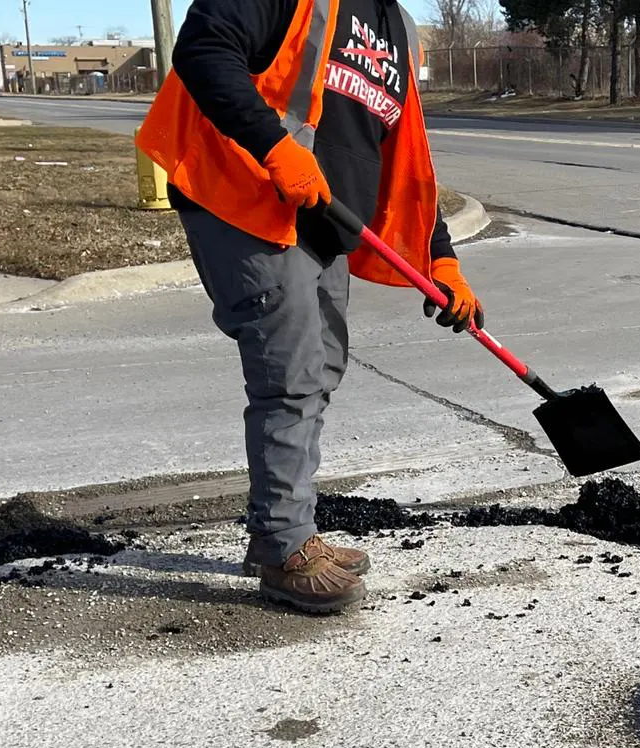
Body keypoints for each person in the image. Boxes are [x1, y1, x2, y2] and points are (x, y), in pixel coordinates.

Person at [136, 0, 483, 615]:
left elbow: (401, 155)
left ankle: (286, 524)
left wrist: (441, 257)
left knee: (320, 368)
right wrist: (274, 147)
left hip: (324, 221)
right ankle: (283, 548)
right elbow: (203, 51)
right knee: (290, 375)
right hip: (248, 202)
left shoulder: (397, 26)